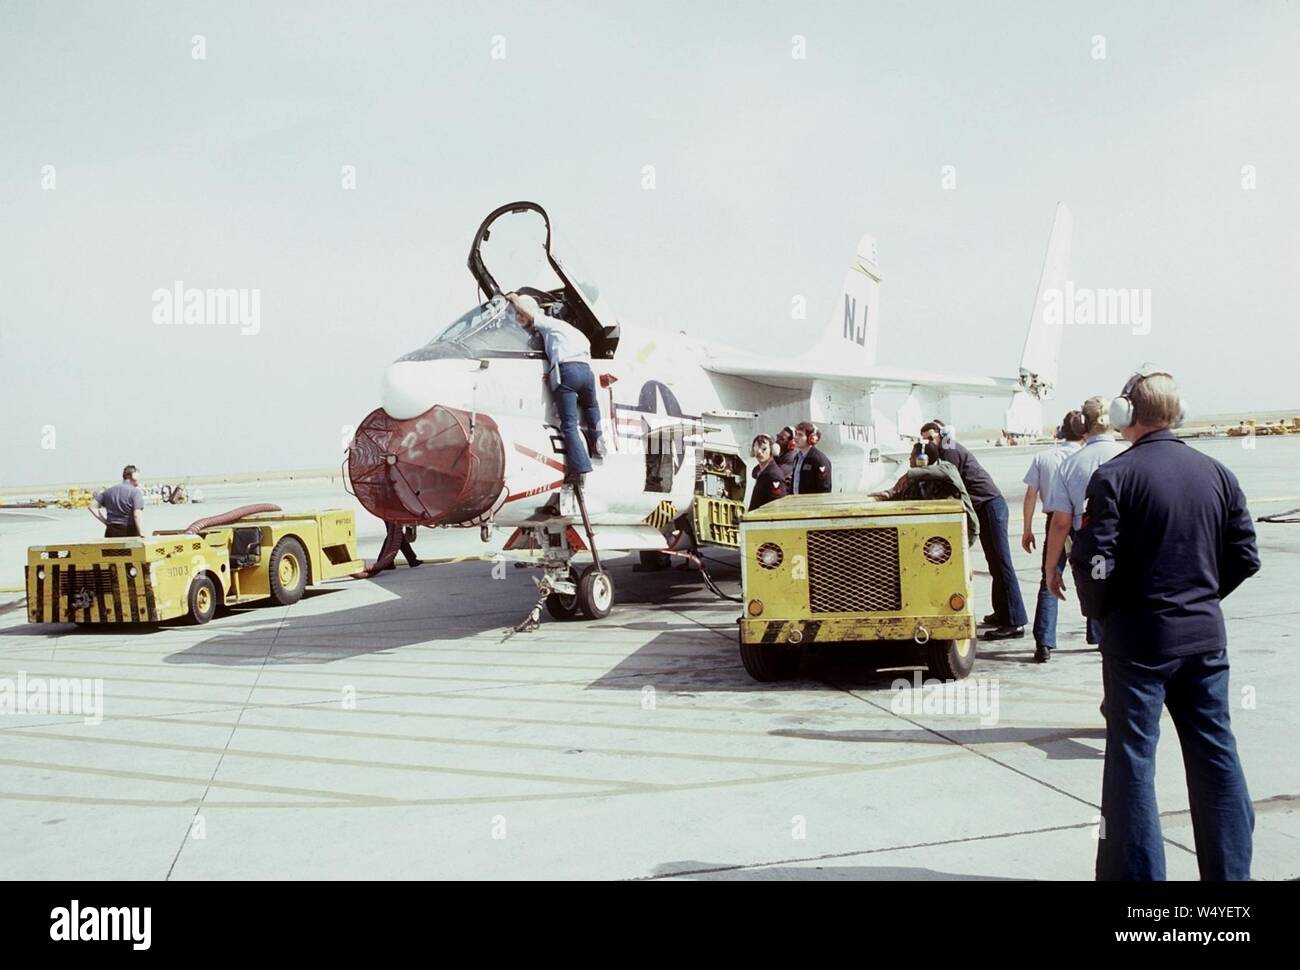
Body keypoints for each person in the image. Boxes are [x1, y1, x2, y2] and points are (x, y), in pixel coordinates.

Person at [1072, 370, 1259, 881]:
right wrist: (1199, 596)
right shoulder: (1217, 472)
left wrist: (1104, 612)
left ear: (1126, 415)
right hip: (1203, 638)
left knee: (1132, 762)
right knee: (1216, 755)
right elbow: (1244, 556)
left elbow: (1094, 562)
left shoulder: (1114, 476)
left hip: (1138, 642)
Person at [919, 421, 1027, 640]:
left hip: (990, 506)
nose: (926, 443)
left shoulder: (949, 451)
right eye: (923, 439)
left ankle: (1015, 622)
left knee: (1002, 563)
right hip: (985, 507)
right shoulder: (945, 450)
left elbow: (948, 480)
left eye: (930, 438)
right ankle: (1002, 613)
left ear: (940, 435)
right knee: (995, 564)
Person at [1043, 397, 1127, 646]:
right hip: (1131, 549)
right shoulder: (1130, 454)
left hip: (1092, 552)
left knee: (1102, 616)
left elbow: (1060, 524)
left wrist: (1051, 569)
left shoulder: (1070, 465)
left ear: (1082, 424)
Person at [507, 292, 605, 486]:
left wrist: (514, 300)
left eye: (520, 316)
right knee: (591, 408)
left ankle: (579, 469)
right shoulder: (575, 332)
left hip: (567, 372)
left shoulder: (548, 323)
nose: (519, 319)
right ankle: (598, 441)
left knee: (569, 424)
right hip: (587, 373)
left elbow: (531, 317)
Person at [1021, 411, 1085, 662]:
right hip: (1083, 519)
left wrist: (1027, 529)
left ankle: (1044, 643)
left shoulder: (1043, 457)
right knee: (1092, 575)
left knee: (1049, 579)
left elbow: (1030, 494)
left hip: (1055, 521)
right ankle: (1099, 635)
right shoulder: (1085, 457)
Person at [875, 441, 979, 544]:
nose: (910, 459)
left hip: (965, 528)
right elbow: (903, 489)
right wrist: (889, 493)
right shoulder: (919, 475)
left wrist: (909, 474)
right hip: (939, 528)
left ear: (922, 459)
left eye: (912, 456)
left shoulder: (948, 468)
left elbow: (931, 472)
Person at [89, 465, 146, 538]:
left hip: (110, 531)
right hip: (128, 531)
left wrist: (105, 522)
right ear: (133, 476)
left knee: (111, 549)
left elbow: (92, 507)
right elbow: (136, 516)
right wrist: (142, 533)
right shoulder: (135, 493)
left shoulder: (108, 491)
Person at [747, 434, 787, 511]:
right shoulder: (761, 473)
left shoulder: (774, 476)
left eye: (764, 448)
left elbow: (776, 506)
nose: (759, 452)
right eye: (756, 448)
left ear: (772, 450)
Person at [790, 421, 832, 494]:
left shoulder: (819, 460)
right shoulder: (797, 457)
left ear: (811, 438)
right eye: (796, 434)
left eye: (800, 435)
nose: (796, 437)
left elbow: (824, 489)